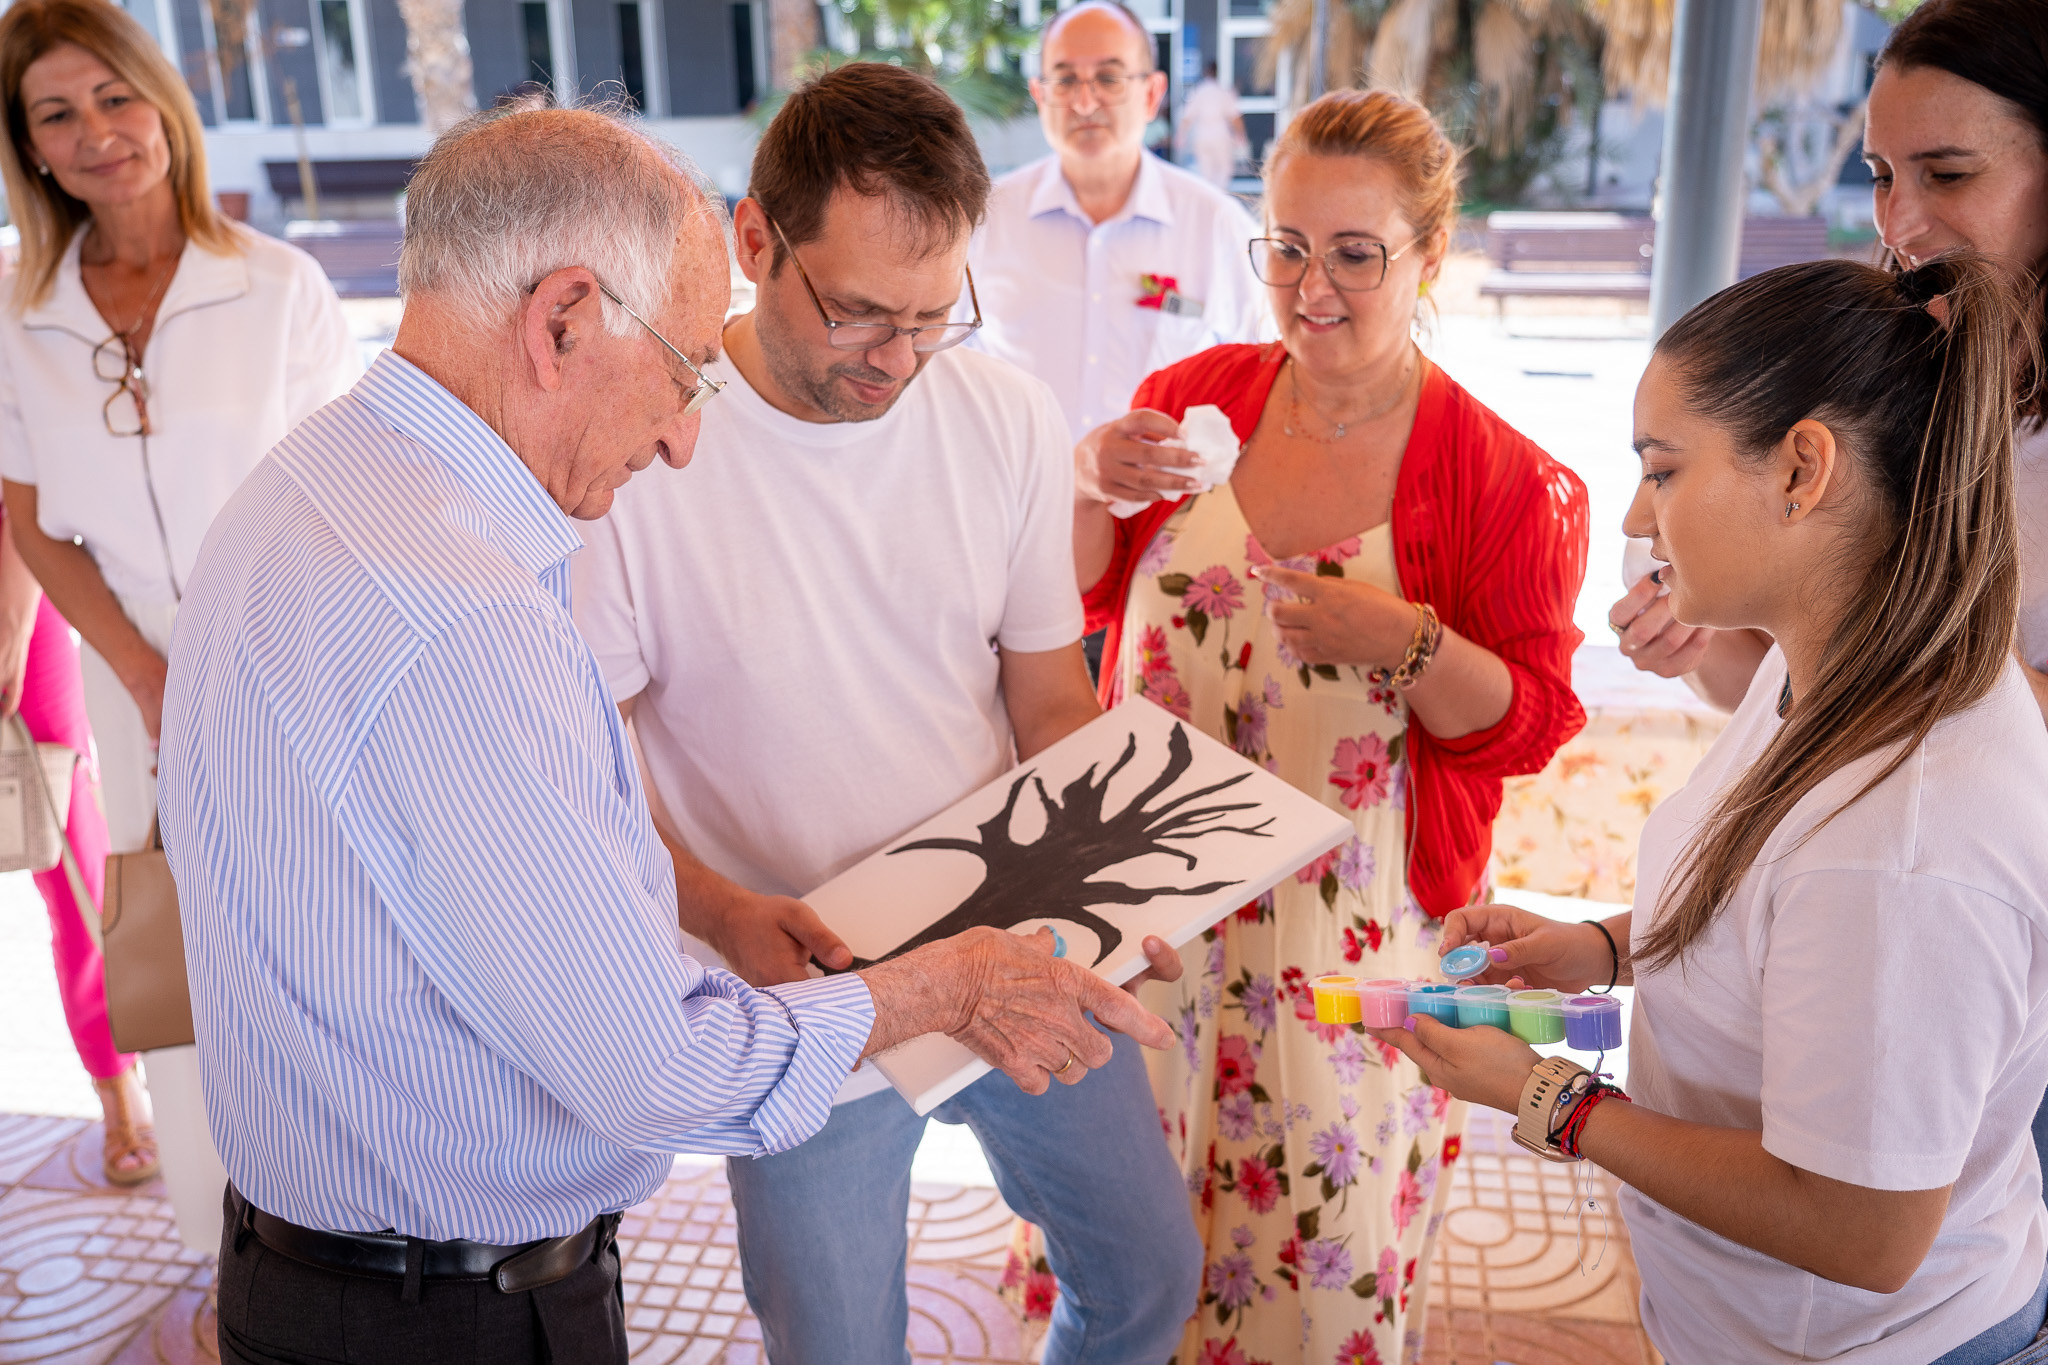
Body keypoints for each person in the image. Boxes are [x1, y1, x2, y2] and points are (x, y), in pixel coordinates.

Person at [158, 100, 1172, 1365]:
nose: (688, 435)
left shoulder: (307, 485)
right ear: (562, 321)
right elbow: (656, 1072)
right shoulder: (463, 616)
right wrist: (942, 984)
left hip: (331, 1263)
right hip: (442, 1306)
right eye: (686, 369)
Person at [571, 62, 1202, 1365]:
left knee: (1148, 1274)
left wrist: (1127, 876)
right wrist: (719, 911)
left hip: (1016, 927)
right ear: (754, 240)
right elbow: (596, 770)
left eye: (932, 317)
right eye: (860, 314)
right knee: (837, 1346)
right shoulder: (642, 451)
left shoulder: (1005, 414)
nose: (899, 361)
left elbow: (1049, 698)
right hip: (805, 992)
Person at [1393, 254, 2048, 1364]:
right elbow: (1772, 908)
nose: (1637, 517)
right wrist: (1602, 947)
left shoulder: (1901, 843)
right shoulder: (1827, 661)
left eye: (1661, 469)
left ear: (1801, 469)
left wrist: (1551, 1097)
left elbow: (1862, 1228)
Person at [1071, 88, 1588, 1364]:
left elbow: (1525, 725)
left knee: (1315, 1270)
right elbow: (1081, 600)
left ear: (1428, 255)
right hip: (1148, 922)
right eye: (1288, 247)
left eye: (1354, 254)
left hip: (1341, 949)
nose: (1312, 288)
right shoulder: (1191, 396)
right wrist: (1084, 482)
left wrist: (1407, 643)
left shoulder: (1496, 477)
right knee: (1126, 1271)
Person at [0, 0, 358, 1253]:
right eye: (57, 113)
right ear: (30, 149)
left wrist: (233, 665)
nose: (96, 132)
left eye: (115, 96)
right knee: (180, 959)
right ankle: (227, 1258)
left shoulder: (277, 288)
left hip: (283, 658)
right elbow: (32, 519)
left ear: (163, 104)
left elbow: (337, 501)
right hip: (129, 676)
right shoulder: (21, 314)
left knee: (314, 955)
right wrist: (146, 675)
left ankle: (345, 1235)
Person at [1609, 0, 2048, 726]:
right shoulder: (1889, 374)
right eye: (1880, 176)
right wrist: (1702, 631)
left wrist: (1930, 653)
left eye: (1947, 174)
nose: (1896, 225)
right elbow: (1797, 691)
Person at [968, 0, 1266, 444]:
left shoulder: (1216, 227)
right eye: (1065, 80)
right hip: (1017, 486)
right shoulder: (984, 221)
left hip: (1167, 490)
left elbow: (1260, 374)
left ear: (1152, 94)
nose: (1085, 102)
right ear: (1039, 94)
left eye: (1109, 78)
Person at [0, 511, 137, 1184]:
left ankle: (118, 1087)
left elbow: (20, 476)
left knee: (73, 860)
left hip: (16, 577)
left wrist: (14, 617)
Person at [1177, 61, 1247, 191]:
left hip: (1202, 136)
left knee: (1206, 171)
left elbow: (1187, 117)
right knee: (1223, 169)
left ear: (1205, 72)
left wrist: (1181, 136)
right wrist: (1241, 135)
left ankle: (1209, 198)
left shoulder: (1198, 91)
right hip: (1220, 135)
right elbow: (1235, 117)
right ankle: (1218, 196)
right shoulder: (1223, 91)